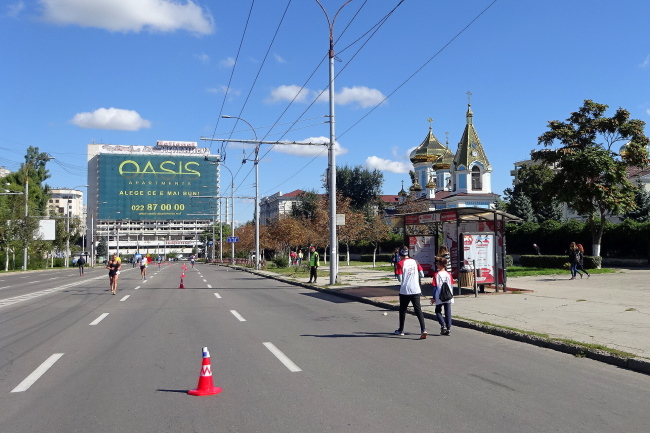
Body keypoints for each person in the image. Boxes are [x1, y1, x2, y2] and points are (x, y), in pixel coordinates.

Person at [394, 247, 428, 339]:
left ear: (400, 255)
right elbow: (422, 275)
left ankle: (401, 330)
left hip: (405, 290)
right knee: (418, 310)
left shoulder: (400, 263)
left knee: (403, 310)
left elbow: (400, 279)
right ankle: (423, 329)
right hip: (416, 289)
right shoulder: (415, 261)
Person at [431, 256, 454, 335]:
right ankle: (448, 328)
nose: (437, 265)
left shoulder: (436, 274)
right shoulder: (449, 274)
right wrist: (451, 294)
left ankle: (442, 325)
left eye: (438, 264)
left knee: (437, 311)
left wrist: (433, 298)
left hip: (439, 294)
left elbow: (434, 287)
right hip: (448, 295)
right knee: (448, 311)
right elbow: (451, 285)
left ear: (440, 265)